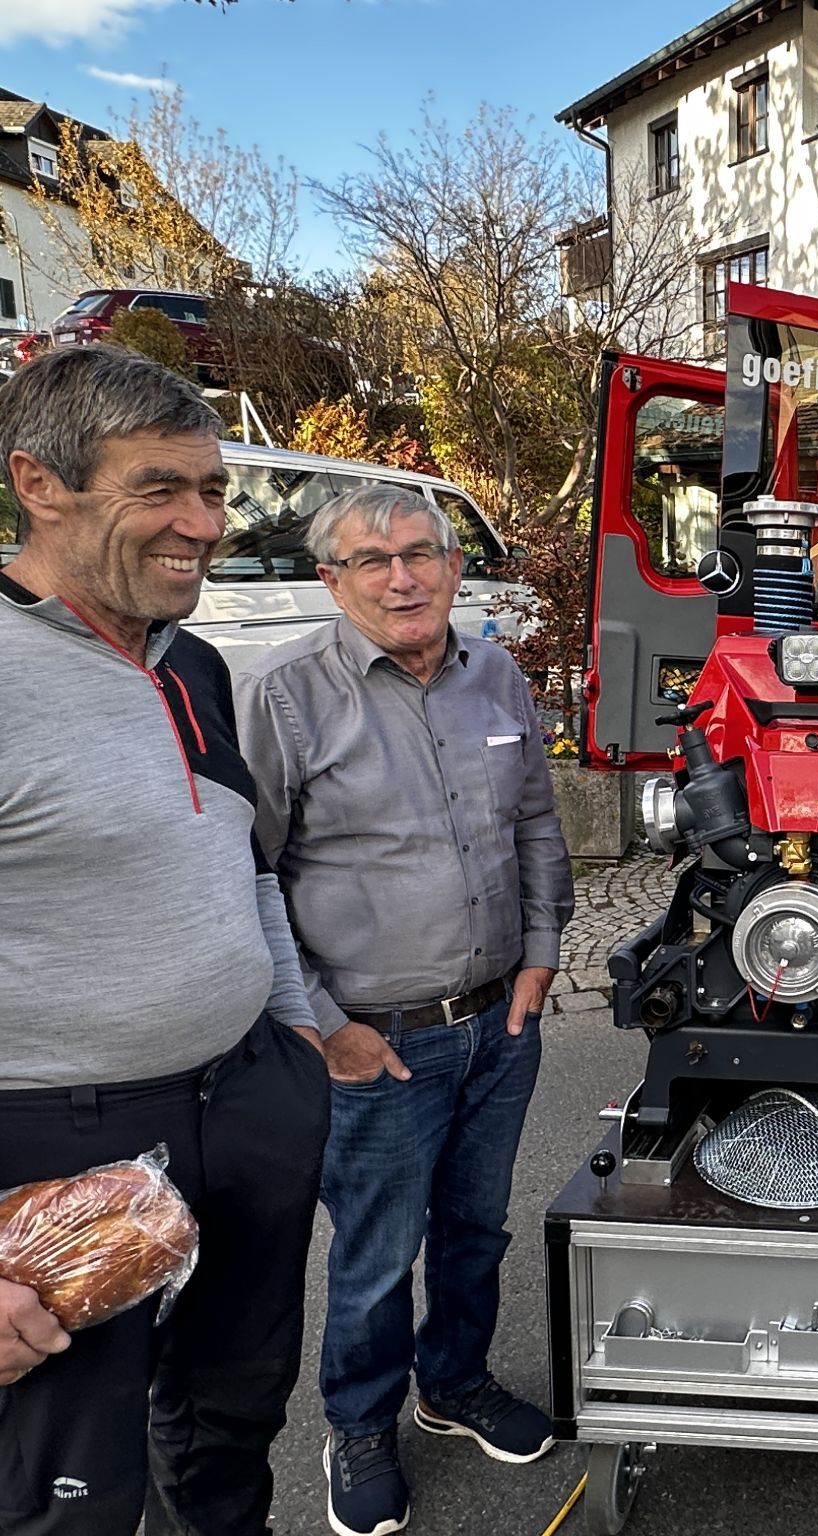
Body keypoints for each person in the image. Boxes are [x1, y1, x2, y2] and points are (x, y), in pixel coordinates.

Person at [0, 344, 330, 1535]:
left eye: (211, 491)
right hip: (52, 1143)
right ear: (41, 483)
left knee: (236, 1412)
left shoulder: (191, 660)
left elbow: (245, 873)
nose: (204, 524)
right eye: (161, 490)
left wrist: (293, 1042)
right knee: (67, 1478)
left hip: (245, 1100)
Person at [233, 485, 573, 1536]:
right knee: (377, 1254)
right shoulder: (285, 695)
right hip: (374, 1043)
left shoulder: (496, 674)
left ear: (454, 567)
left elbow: (532, 823)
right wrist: (324, 1021)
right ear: (330, 580)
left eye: (422, 553)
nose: (403, 576)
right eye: (372, 560)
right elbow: (249, 873)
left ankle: (453, 1384)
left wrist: (541, 956)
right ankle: (361, 1424)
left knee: (475, 1227)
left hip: (498, 1023)